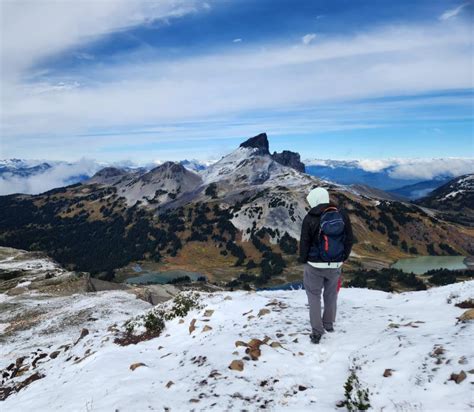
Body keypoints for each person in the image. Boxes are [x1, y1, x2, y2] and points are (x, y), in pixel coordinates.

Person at [299, 187, 353, 344]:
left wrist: (304, 259)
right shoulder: (341, 214)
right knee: (330, 295)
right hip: (335, 263)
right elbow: (349, 238)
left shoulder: (310, 217)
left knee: (314, 296)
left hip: (314, 264)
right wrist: (343, 257)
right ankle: (328, 325)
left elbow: (305, 242)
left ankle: (317, 332)